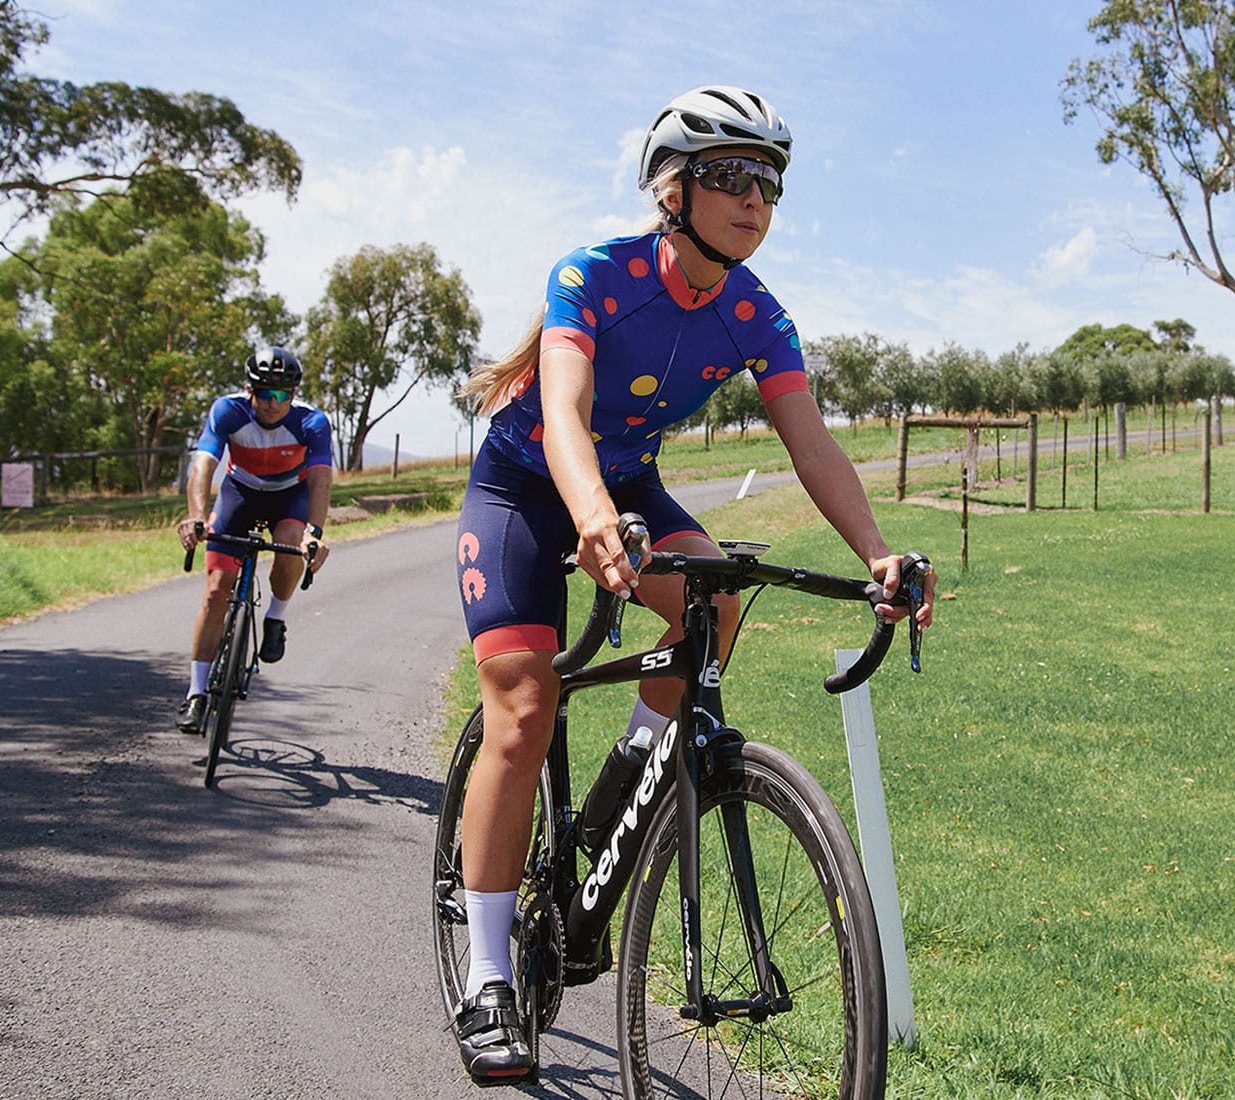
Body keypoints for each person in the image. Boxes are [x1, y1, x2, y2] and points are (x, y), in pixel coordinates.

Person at [447, 85, 935, 1084]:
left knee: (714, 598)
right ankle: (487, 972)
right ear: (670, 190)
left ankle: (629, 772)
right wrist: (588, 518)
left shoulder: (758, 312)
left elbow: (813, 445)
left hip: (627, 486)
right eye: (729, 176)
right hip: (529, 493)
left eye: (769, 182)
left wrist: (877, 553)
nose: (753, 198)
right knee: (524, 704)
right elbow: (567, 413)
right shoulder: (594, 276)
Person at [173, 347, 334, 732]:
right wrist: (196, 516)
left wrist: (315, 532)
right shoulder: (228, 411)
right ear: (250, 390)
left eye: (282, 394)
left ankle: (276, 617)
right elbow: (203, 466)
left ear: (293, 394)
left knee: (292, 541)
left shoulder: (311, 422)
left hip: (288, 496)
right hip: (239, 493)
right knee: (215, 591)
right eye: (265, 393)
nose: (273, 403)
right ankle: (196, 694)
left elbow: (320, 479)